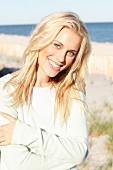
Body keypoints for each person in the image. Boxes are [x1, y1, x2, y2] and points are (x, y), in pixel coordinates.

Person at [0, 11, 91, 170]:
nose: (61, 59)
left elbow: (79, 151)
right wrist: (69, 160)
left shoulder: (72, 90)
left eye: (71, 53)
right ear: (41, 39)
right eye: (57, 45)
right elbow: (18, 164)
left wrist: (23, 133)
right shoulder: (6, 88)